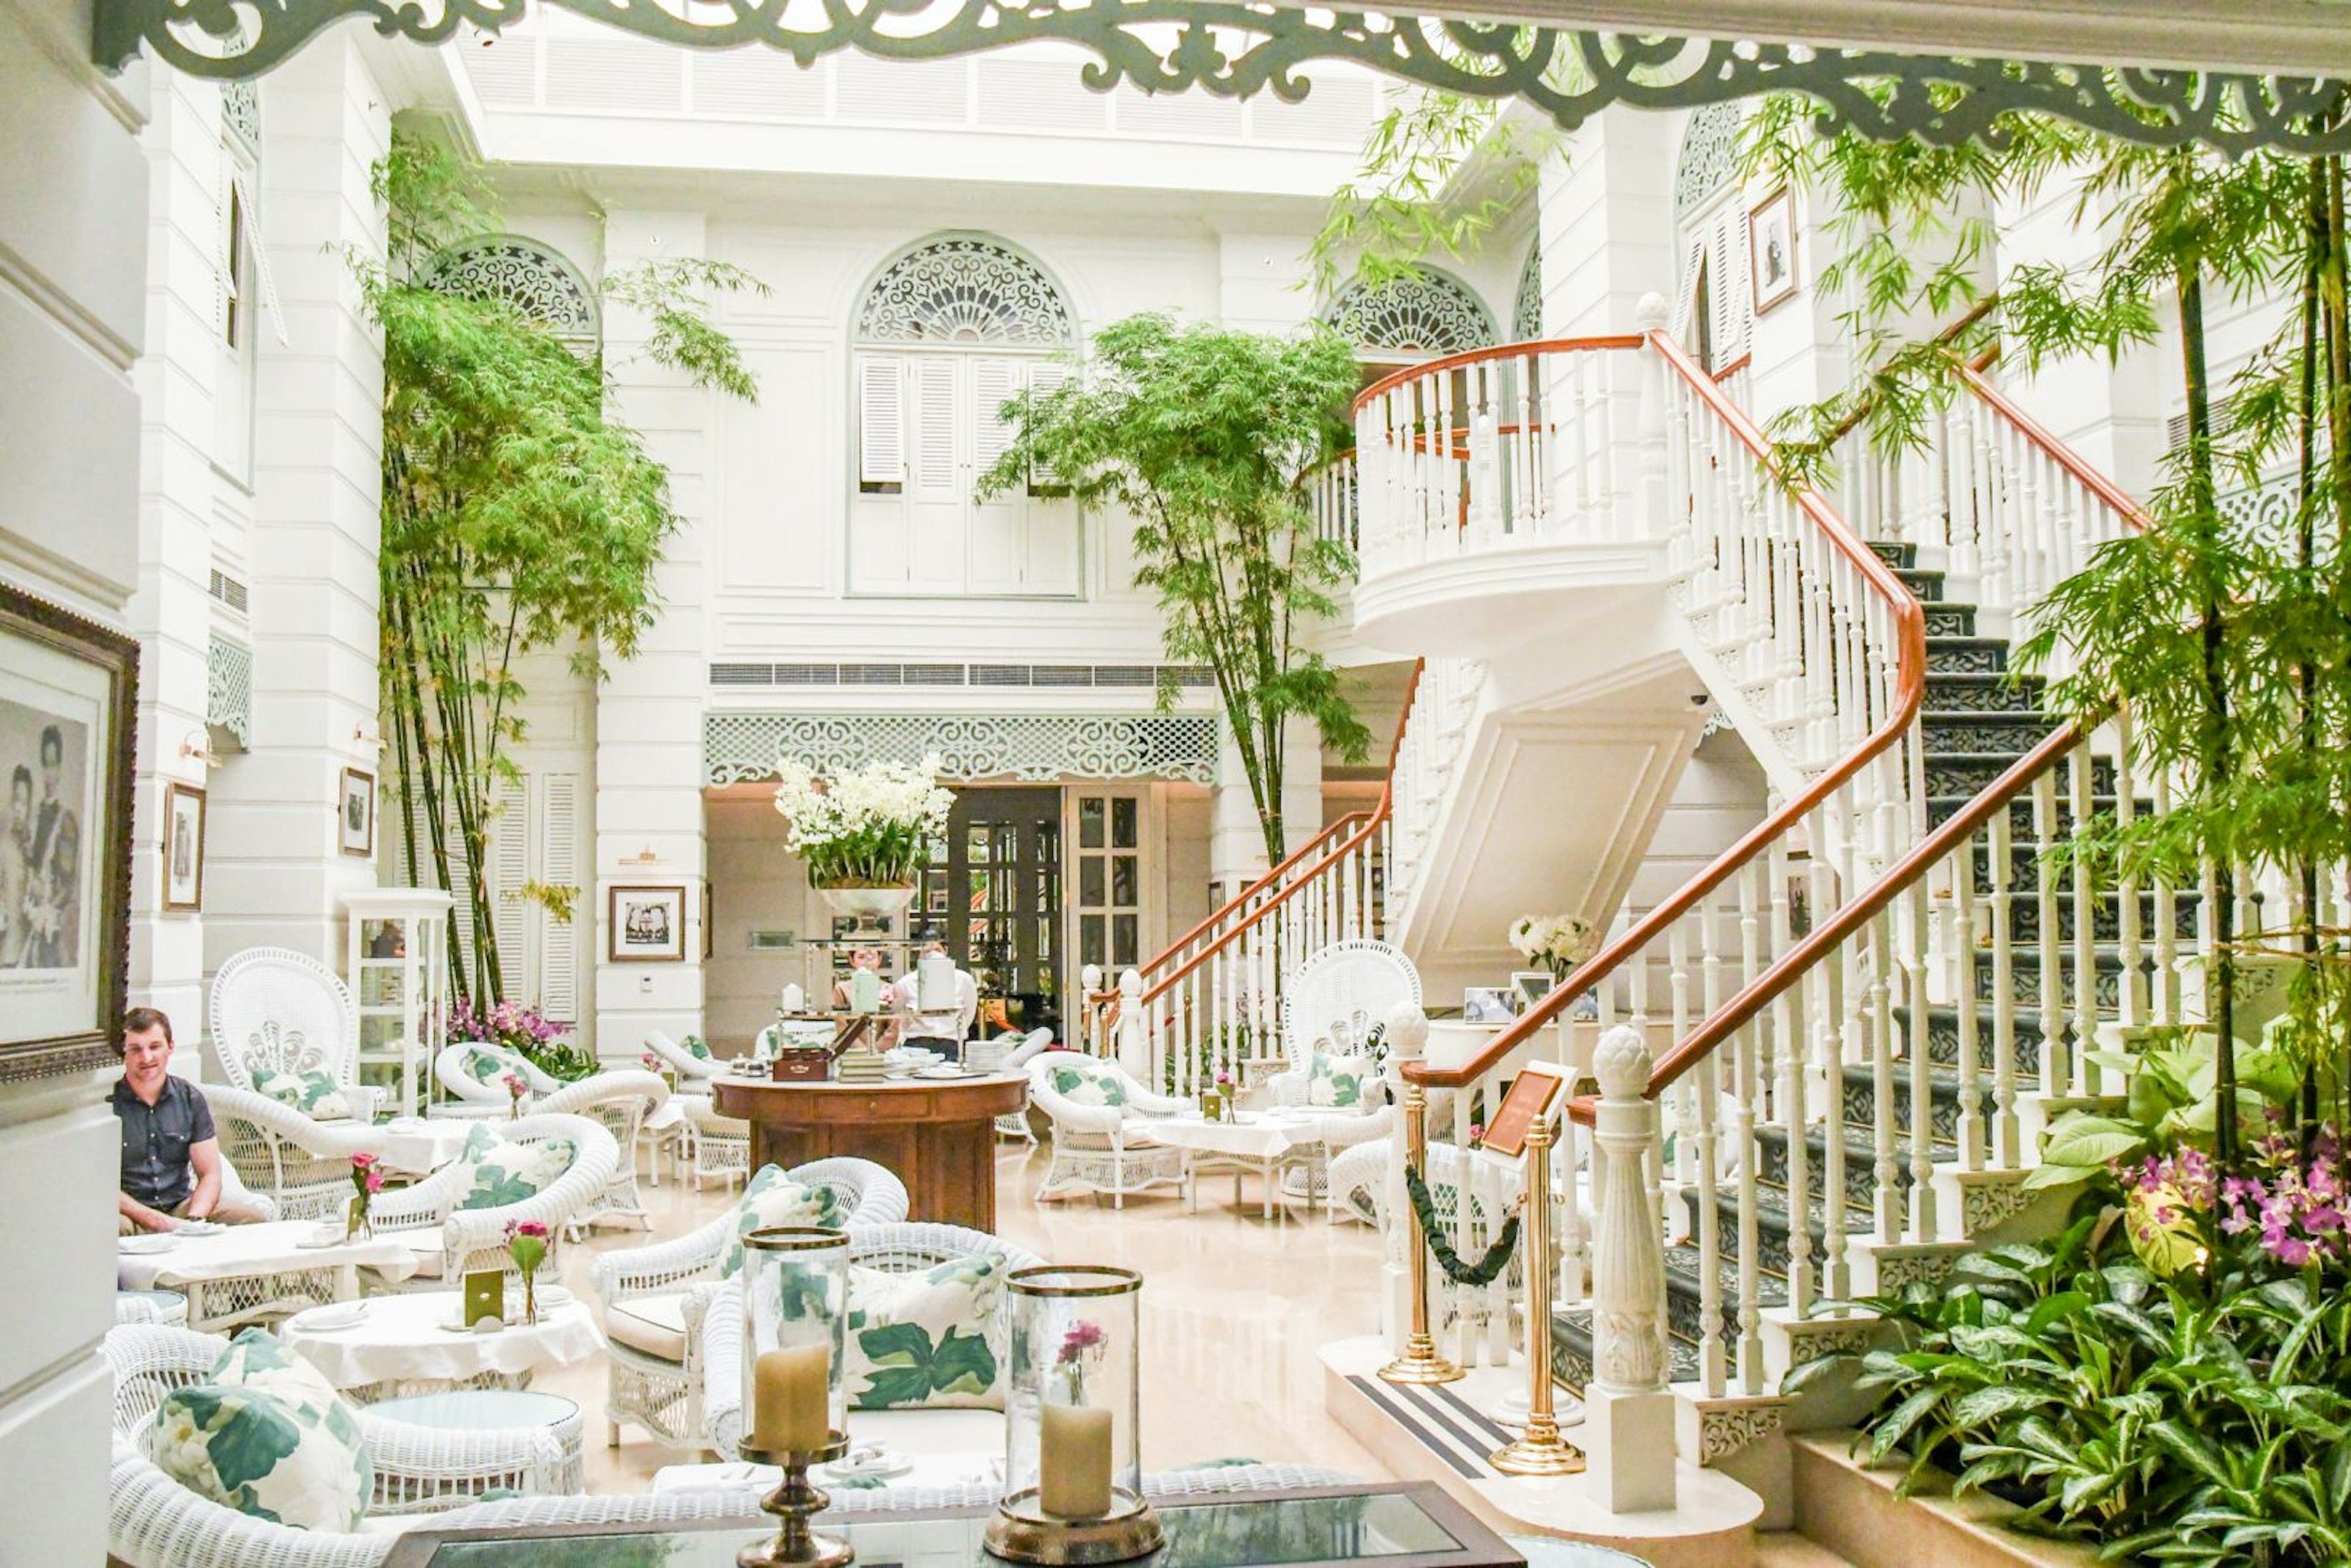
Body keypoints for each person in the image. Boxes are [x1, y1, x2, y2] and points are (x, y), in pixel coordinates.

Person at [113, 1007, 262, 1233]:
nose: (146, 1058)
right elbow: (100, 1184)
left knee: (250, 1219)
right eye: (135, 1049)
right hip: (130, 1213)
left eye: (155, 1047)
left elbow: (210, 1174)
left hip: (181, 1207)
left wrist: (194, 1221)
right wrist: (151, 1219)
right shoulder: (107, 1104)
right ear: (123, 1053)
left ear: (170, 1047)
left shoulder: (190, 1099)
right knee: (112, 1229)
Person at [897, 942, 977, 1060]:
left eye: (937, 951)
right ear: (920, 955)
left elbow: (969, 1011)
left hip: (951, 1043)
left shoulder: (964, 980)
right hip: (918, 1044)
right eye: (927, 952)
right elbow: (900, 1015)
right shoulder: (906, 982)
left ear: (945, 952)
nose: (933, 956)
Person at [0, 765, 30, 966]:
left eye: (25, 803)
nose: (20, 809)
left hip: (26, 945)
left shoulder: (33, 846)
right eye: (17, 801)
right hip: (6, 947)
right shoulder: (3, 844)